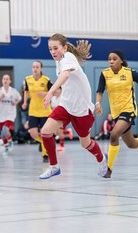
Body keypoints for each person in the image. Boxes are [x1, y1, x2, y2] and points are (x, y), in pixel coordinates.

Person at [39, 33, 107, 179]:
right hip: (66, 105)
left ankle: (102, 159)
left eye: (55, 48)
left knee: (85, 143)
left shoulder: (68, 57)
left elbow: (65, 76)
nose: (52, 52)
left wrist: (50, 92)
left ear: (64, 47)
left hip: (82, 109)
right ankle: (54, 167)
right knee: (45, 132)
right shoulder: (59, 61)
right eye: (50, 49)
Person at [95, 50, 138, 178]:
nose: (111, 61)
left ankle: (108, 169)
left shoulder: (130, 73)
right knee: (131, 144)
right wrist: (98, 103)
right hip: (116, 113)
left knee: (114, 135)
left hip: (129, 110)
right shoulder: (104, 74)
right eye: (109, 59)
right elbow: (100, 92)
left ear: (121, 61)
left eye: (114, 59)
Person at [22, 61, 53, 162]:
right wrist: (25, 102)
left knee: (44, 133)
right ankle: (43, 143)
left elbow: (53, 92)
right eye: (33, 67)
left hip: (45, 110)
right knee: (33, 133)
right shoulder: (27, 79)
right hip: (33, 110)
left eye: (37, 67)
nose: (35, 69)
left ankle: (45, 155)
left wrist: (45, 93)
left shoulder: (46, 80)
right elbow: (26, 91)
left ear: (41, 68)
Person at [0, 74, 21, 151]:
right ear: (2, 81)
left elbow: (19, 98)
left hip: (10, 115)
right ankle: (6, 143)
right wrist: (0, 98)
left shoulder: (13, 91)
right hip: (1, 115)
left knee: (5, 129)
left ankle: (9, 140)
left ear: (10, 81)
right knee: (2, 134)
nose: (5, 80)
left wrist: (15, 102)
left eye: (7, 79)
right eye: (4, 79)